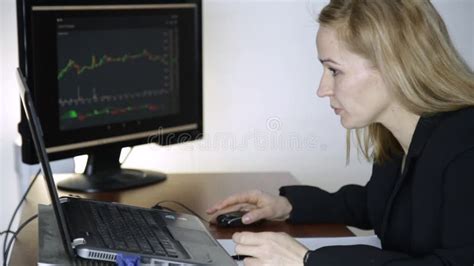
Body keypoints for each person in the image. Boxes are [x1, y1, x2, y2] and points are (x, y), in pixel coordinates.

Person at [206, 0, 474, 265]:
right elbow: (377, 206)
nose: (322, 89)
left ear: (394, 66)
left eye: (334, 70)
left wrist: (307, 259)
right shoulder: (398, 140)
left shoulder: (465, 146)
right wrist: (287, 206)